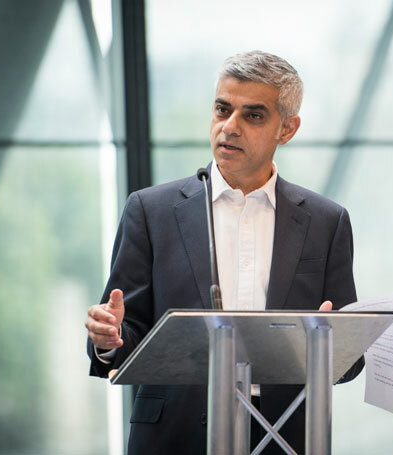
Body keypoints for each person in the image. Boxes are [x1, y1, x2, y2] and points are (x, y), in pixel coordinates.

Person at [85, 50, 362, 454]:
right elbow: (128, 334)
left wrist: (331, 342)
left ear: (287, 129)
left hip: (283, 437)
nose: (229, 127)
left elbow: (349, 360)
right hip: (172, 438)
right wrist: (108, 337)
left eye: (253, 116)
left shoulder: (326, 221)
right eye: (222, 109)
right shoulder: (151, 210)